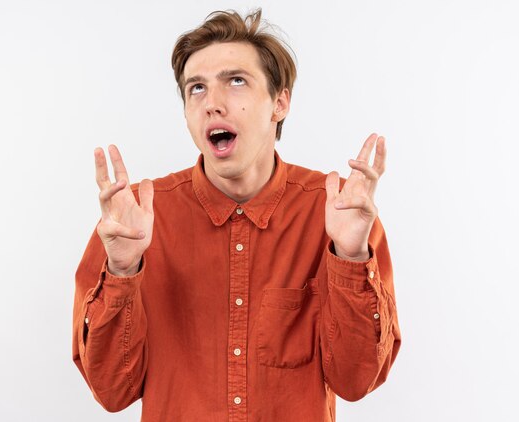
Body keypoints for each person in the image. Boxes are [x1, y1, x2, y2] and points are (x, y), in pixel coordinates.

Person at [72, 9, 401, 421]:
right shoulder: (132, 219)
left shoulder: (337, 213)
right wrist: (122, 269)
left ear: (279, 102)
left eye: (236, 81)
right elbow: (112, 392)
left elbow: (356, 381)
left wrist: (350, 258)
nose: (212, 104)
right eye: (196, 88)